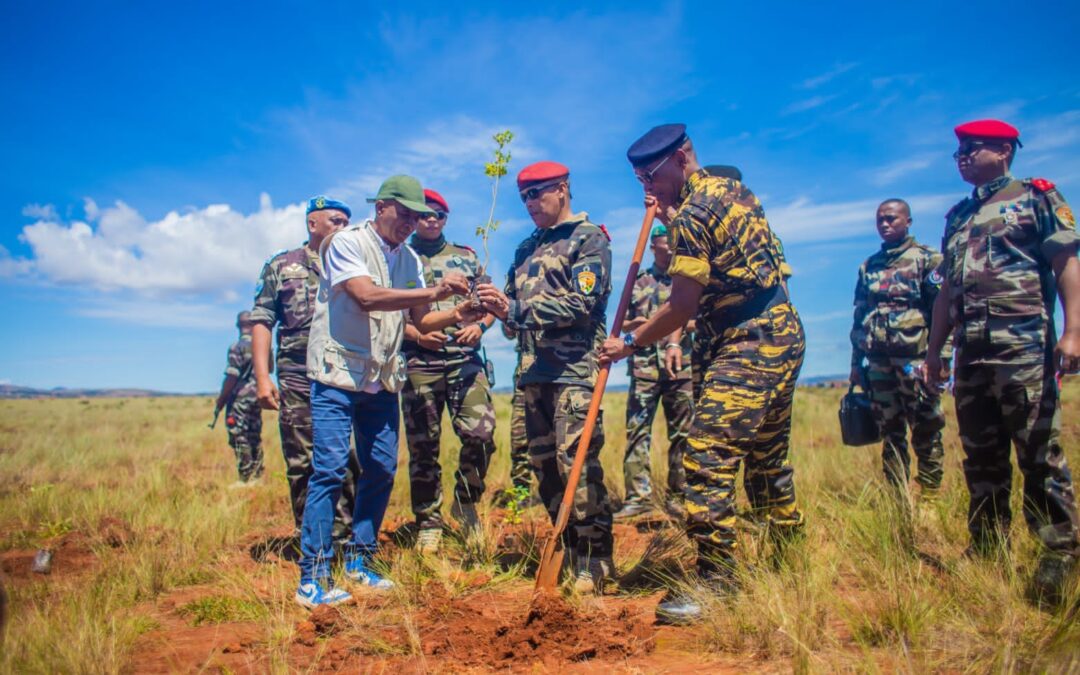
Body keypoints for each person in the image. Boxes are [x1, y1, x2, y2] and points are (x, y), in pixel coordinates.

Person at [600, 124, 804, 624]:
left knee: (706, 458)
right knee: (765, 457)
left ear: (680, 158)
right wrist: (671, 214)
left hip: (746, 340)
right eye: (638, 179)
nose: (646, 189)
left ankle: (718, 581)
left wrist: (629, 342)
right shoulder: (731, 188)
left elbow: (681, 307)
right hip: (781, 328)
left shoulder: (691, 215)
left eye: (650, 175)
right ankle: (787, 563)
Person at [295, 175, 482, 608]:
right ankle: (314, 576)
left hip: (381, 378)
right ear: (381, 207)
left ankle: (361, 560)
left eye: (418, 216)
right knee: (330, 468)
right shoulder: (347, 243)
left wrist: (458, 311)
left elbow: (421, 318)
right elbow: (366, 297)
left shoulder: (409, 258)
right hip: (338, 375)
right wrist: (435, 289)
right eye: (405, 214)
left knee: (380, 467)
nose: (411, 223)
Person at [924, 119, 1080, 603]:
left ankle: (1059, 553)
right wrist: (934, 351)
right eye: (958, 153)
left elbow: (1066, 263)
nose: (962, 158)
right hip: (971, 354)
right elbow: (947, 289)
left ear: (1005, 150)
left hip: (1023, 346)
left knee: (1037, 451)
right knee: (981, 457)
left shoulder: (1036, 197)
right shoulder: (957, 217)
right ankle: (987, 547)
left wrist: (1074, 330)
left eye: (971, 149)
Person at [476, 161, 615, 594]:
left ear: (563, 189)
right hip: (531, 376)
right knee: (543, 471)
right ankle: (569, 552)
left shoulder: (589, 239)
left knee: (577, 466)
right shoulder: (524, 249)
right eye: (524, 197)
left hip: (573, 374)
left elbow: (581, 304)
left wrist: (514, 311)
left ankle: (596, 559)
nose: (530, 203)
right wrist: (498, 307)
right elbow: (511, 317)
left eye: (537, 194)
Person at [250, 196, 359, 547]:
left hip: (345, 371)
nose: (344, 228)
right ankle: (311, 536)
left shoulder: (354, 264)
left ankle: (346, 537)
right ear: (313, 224)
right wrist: (262, 377)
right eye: (336, 221)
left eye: (347, 222)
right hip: (298, 375)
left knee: (348, 456)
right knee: (303, 458)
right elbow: (263, 320)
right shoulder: (282, 266)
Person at [402, 188, 497, 553]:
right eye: (424, 214)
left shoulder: (466, 257)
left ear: (445, 219)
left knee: (481, 432)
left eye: (438, 215)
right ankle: (428, 520)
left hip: (464, 360)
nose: (430, 220)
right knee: (423, 445)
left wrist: (482, 326)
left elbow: (491, 301)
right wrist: (416, 334)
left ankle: (466, 500)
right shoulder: (400, 257)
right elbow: (384, 315)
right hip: (419, 362)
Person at [850, 199, 947, 494]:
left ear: (908, 221)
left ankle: (930, 493)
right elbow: (859, 317)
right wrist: (856, 365)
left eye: (891, 219)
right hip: (879, 362)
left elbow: (944, 313)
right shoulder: (869, 266)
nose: (885, 224)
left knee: (925, 427)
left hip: (917, 360)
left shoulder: (928, 260)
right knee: (889, 431)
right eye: (880, 220)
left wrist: (941, 358)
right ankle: (898, 495)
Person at [614, 224, 694, 520]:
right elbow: (620, 323)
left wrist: (672, 326)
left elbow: (699, 317)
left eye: (674, 244)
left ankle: (680, 496)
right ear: (654, 248)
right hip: (644, 367)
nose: (670, 250)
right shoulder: (639, 281)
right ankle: (638, 498)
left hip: (680, 367)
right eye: (664, 245)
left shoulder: (687, 278)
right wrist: (636, 327)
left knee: (684, 433)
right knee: (637, 431)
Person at [215, 311, 265, 486]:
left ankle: (245, 478)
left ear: (238, 325)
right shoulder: (261, 347)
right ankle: (258, 476)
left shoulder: (237, 347)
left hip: (240, 399)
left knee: (239, 436)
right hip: (257, 398)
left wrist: (221, 400)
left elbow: (232, 376)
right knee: (254, 436)